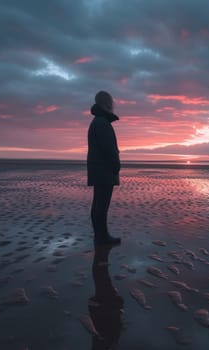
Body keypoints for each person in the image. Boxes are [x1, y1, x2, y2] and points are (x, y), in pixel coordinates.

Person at [88, 91, 121, 245]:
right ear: (106, 104)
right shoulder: (101, 122)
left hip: (99, 170)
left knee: (99, 205)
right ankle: (102, 237)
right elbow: (109, 149)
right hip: (104, 171)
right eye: (111, 102)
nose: (112, 105)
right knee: (101, 206)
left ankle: (100, 236)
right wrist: (116, 166)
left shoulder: (98, 121)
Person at [89, 244, 123, 349]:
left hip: (106, 308)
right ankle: (103, 254)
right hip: (108, 307)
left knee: (101, 276)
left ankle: (103, 254)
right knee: (102, 276)